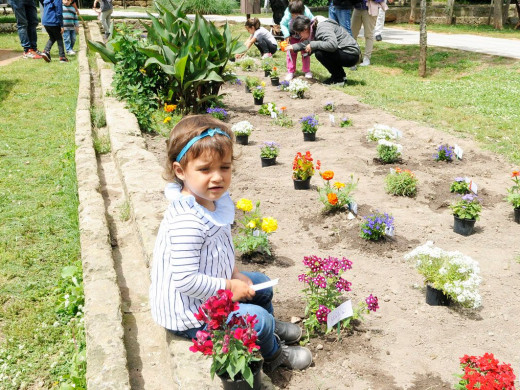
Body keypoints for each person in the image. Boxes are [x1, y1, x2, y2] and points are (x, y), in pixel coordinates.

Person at [149, 115, 313, 372]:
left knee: (260, 283)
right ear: (180, 171)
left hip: (210, 294)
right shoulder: (186, 220)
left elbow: (222, 247)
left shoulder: (210, 201)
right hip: (191, 314)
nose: (217, 178)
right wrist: (228, 286)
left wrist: (235, 273)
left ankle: (269, 327)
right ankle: (272, 354)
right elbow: (184, 280)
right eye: (205, 170)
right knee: (255, 320)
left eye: (224, 168)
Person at [287, 15, 360, 86]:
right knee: (319, 49)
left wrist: (313, 45)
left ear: (305, 29)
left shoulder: (323, 28)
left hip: (351, 54)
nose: (300, 36)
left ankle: (338, 79)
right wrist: (294, 47)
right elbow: (310, 42)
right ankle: (341, 76)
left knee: (319, 53)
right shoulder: (314, 27)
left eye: (299, 33)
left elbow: (332, 45)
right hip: (346, 52)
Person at [280, 0, 314, 81]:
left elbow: (312, 22)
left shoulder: (307, 12)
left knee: (305, 53)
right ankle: (291, 71)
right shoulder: (288, 13)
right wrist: (287, 35)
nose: (295, 16)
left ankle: (306, 70)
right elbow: (283, 24)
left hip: (304, 37)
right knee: (291, 53)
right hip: (292, 36)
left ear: (302, 12)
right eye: (293, 14)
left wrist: (308, 36)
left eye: (297, 14)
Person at [351, 0, 388, 66]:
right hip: (357, 8)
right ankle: (354, 56)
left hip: (370, 9)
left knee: (368, 35)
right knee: (352, 34)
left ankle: (367, 58)